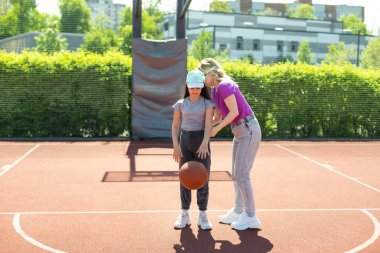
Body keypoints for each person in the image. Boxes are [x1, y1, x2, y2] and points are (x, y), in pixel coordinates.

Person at [198, 58, 262, 231]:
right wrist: (202, 125)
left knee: (242, 174)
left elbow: (234, 112)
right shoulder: (215, 91)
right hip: (239, 132)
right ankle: (239, 210)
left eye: (203, 75)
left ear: (211, 74)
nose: (201, 79)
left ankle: (250, 216)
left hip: (248, 129)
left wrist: (216, 130)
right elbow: (218, 117)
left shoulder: (225, 85)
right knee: (237, 174)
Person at [172, 69, 214, 230]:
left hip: (202, 143)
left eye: (198, 87)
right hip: (185, 143)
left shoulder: (207, 103)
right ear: (187, 86)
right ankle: (185, 213)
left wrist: (205, 142)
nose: (195, 90)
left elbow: (208, 124)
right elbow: (175, 126)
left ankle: (203, 214)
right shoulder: (180, 104)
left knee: (203, 178)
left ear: (202, 86)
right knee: (185, 177)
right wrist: (175, 145)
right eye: (192, 87)